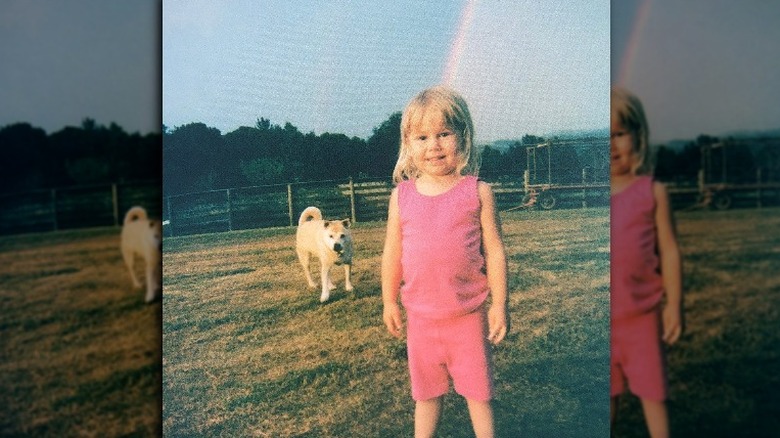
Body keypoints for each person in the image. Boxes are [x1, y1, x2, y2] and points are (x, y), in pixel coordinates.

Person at [381, 85, 509, 438]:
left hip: (468, 317)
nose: (433, 145)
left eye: (444, 134)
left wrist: (500, 304)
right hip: (421, 320)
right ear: (408, 143)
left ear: (463, 137)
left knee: (479, 396)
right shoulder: (401, 197)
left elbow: (495, 251)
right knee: (426, 397)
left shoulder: (478, 192)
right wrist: (389, 300)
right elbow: (393, 252)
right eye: (422, 137)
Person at [610, 86, 683, 438]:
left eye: (619, 134)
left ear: (638, 136)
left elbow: (669, 251)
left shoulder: (653, 192)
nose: (611, 145)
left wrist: (674, 306)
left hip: (642, 319)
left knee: (654, 397)